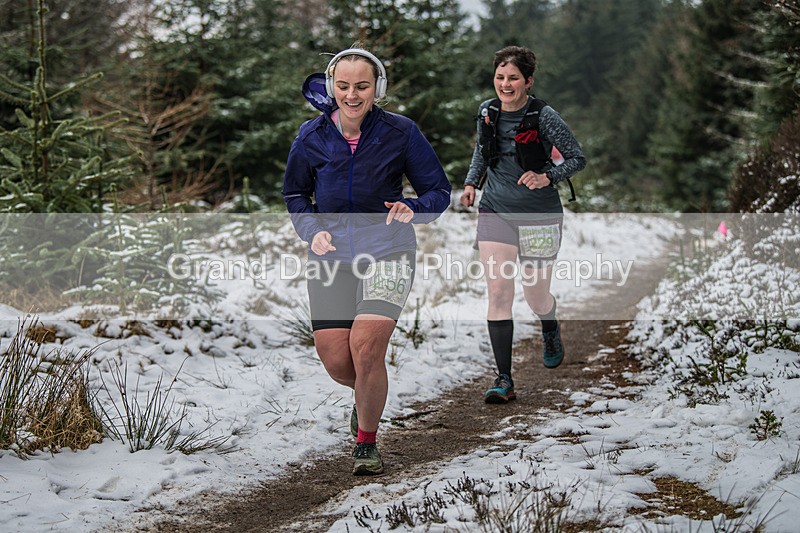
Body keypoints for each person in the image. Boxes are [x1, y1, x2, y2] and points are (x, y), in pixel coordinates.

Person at [282, 46, 451, 475]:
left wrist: (415, 207)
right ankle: (366, 396)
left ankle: (366, 441)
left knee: (367, 345)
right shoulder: (311, 135)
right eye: (343, 86)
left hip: (389, 249)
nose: (352, 94)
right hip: (331, 254)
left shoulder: (401, 131)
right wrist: (312, 230)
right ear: (331, 86)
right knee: (336, 357)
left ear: (377, 87)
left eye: (362, 86)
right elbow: (295, 195)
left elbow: (438, 191)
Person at [459, 45, 586, 404]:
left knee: (535, 295)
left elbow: (577, 158)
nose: (505, 84)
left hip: (539, 216)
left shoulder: (545, 116)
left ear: (528, 81)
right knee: (499, 292)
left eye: (513, 77)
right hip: (495, 210)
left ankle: (549, 322)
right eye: (500, 77)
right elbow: (482, 152)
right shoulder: (487, 111)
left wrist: (548, 177)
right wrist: (471, 183)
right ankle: (504, 379)